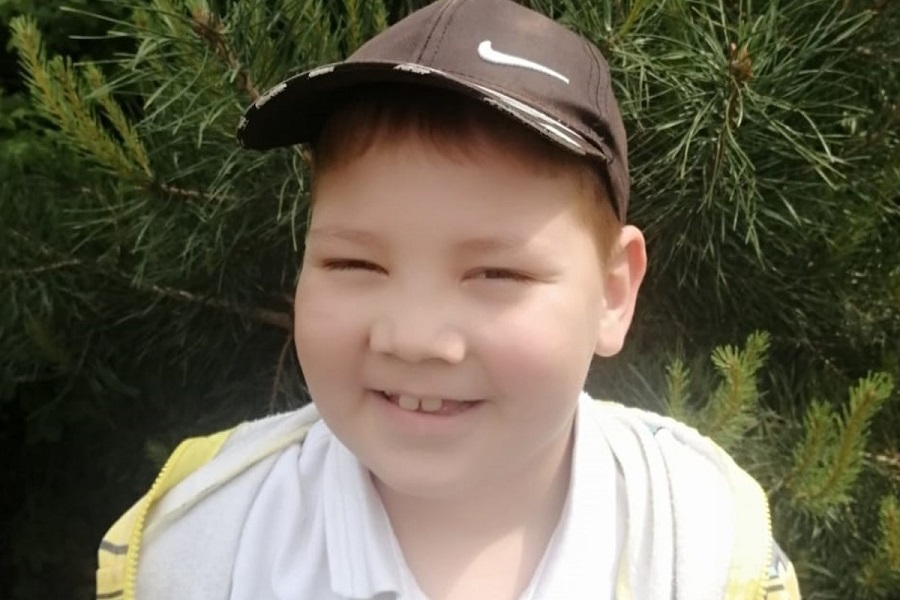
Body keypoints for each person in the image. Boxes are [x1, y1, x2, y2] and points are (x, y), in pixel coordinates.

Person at [96, 0, 802, 598]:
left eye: (496, 275)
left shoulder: (699, 546)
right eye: (354, 262)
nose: (414, 337)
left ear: (613, 294)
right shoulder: (204, 544)